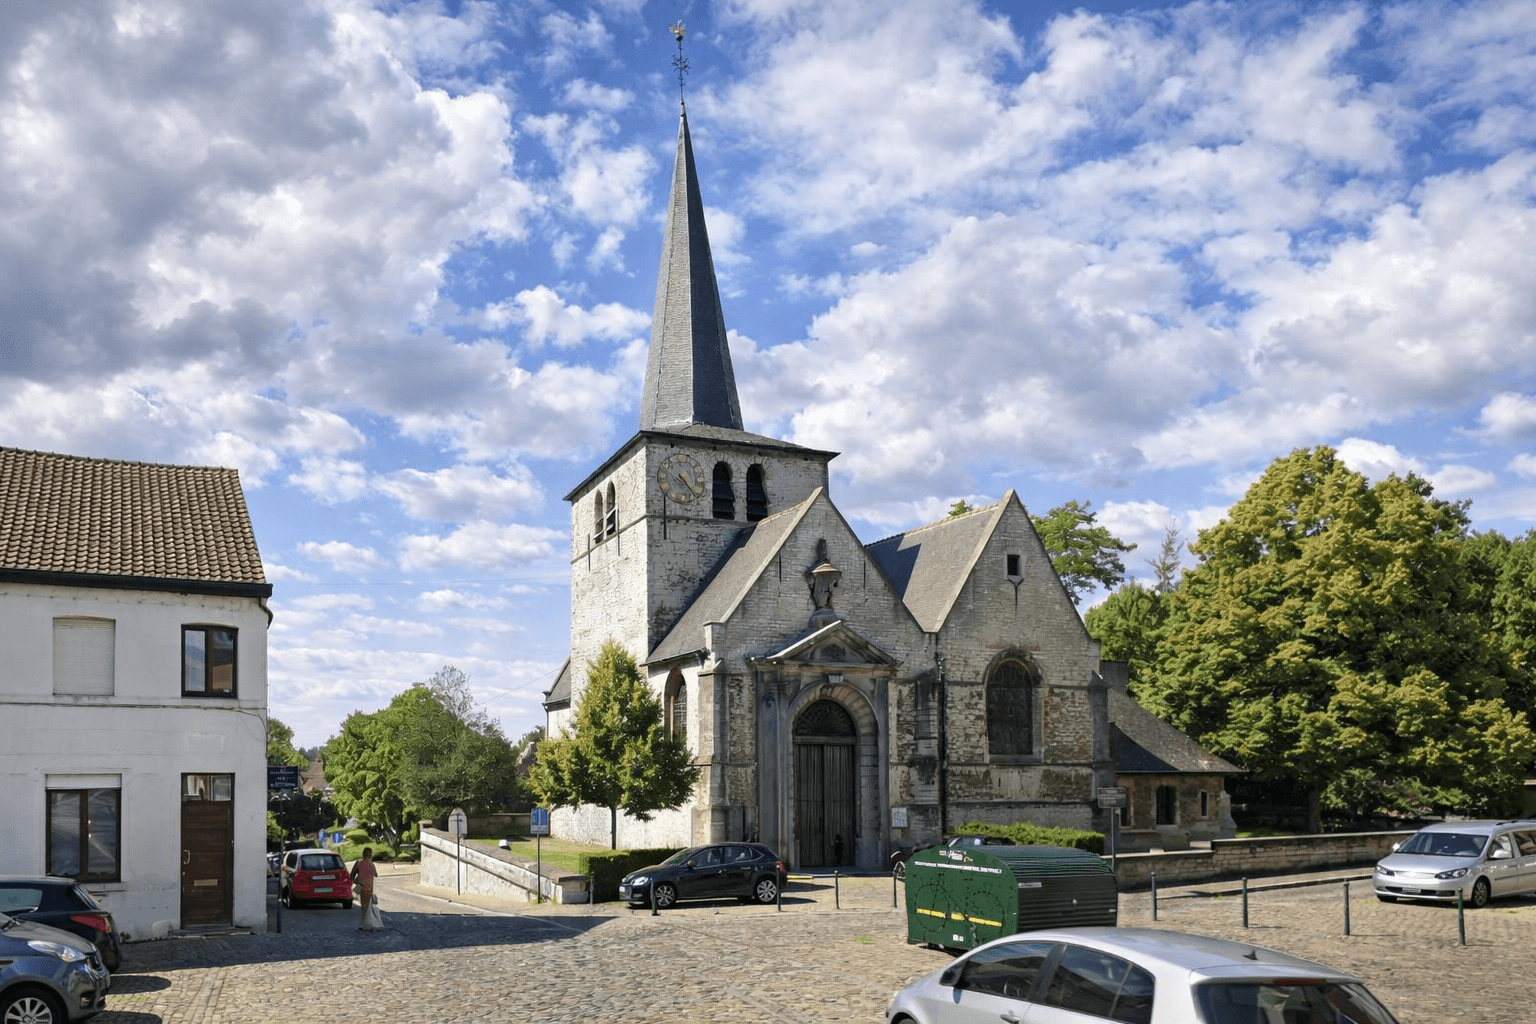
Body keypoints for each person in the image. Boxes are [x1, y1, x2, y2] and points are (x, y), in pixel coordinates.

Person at [350, 847, 379, 930]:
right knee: (367, 906)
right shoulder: (371, 864)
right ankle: (367, 923)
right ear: (370, 855)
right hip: (370, 889)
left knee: (364, 907)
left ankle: (364, 924)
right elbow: (376, 875)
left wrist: (355, 882)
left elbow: (351, 876)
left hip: (362, 888)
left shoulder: (358, 863)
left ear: (363, 855)